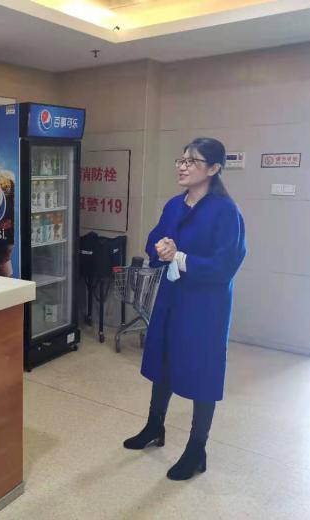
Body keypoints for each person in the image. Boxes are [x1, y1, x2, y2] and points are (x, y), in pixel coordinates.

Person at [123, 137, 246, 481]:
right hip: (172, 296)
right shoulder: (175, 205)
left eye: (192, 161)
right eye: (181, 160)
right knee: (163, 357)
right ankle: (154, 426)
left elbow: (226, 264)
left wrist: (179, 257)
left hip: (206, 304)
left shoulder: (226, 211)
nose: (182, 166)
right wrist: (161, 247)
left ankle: (196, 449)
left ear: (214, 168)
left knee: (203, 369)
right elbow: (154, 240)